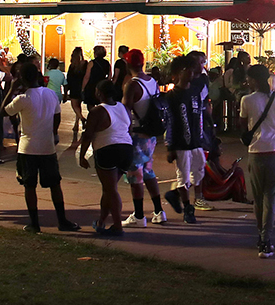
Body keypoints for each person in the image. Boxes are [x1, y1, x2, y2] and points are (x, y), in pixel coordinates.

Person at [5, 63, 78, 233]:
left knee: (29, 186)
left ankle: (34, 223)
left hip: (28, 147)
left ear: (21, 79)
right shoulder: (51, 94)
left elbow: (3, 111)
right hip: (47, 147)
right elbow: (57, 116)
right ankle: (62, 220)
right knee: (55, 184)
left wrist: (11, 89)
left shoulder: (22, 99)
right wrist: (53, 134)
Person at [239, 63, 275, 258]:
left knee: (258, 199)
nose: (247, 82)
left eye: (249, 79)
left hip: (256, 152)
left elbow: (242, 126)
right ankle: (266, 239)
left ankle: (261, 236)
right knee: (271, 197)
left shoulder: (247, 100)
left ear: (254, 80)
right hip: (274, 151)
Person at [80, 78, 133, 236]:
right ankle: (102, 221)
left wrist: (82, 155)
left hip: (108, 149)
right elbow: (128, 127)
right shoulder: (123, 108)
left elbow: (88, 135)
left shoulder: (97, 111)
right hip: (126, 149)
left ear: (99, 93)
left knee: (111, 190)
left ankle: (117, 225)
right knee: (109, 189)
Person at [123, 49, 167, 226]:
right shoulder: (151, 81)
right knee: (148, 172)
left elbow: (125, 110)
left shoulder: (133, 85)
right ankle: (158, 211)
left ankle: (139, 215)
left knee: (135, 175)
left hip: (137, 133)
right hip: (151, 134)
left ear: (128, 64)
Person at [163, 53, 209, 223]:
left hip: (196, 140)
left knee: (199, 170)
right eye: (185, 70)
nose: (190, 72)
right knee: (183, 174)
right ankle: (188, 207)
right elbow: (170, 122)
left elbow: (202, 113)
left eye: (190, 69)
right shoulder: (172, 96)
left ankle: (174, 193)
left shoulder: (195, 91)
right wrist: (170, 146)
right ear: (177, 74)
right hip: (181, 143)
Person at [66, 47, 87, 144]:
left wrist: (67, 90)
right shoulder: (84, 64)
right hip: (81, 87)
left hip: (74, 87)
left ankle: (82, 118)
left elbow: (69, 78)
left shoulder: (72, 66)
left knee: (74, 106)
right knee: (78, 106)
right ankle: (76, 123)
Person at [82, 45, 111, 112]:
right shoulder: (107, 63)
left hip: (91, 86)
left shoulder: (92, 63)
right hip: (102, 85)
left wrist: (83, 88)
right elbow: (109, 76)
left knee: (90, 103)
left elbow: (87, 76)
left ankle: (93, 115)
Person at [44, 57, 67, 139]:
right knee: (56, 112)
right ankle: (55, 130)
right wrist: (65, 96)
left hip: (48, 95)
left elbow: (44, 84)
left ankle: (49, 129)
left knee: (48, 113)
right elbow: (65, 85)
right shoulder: (61, 74)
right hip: (58, 95)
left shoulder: (47, 74)